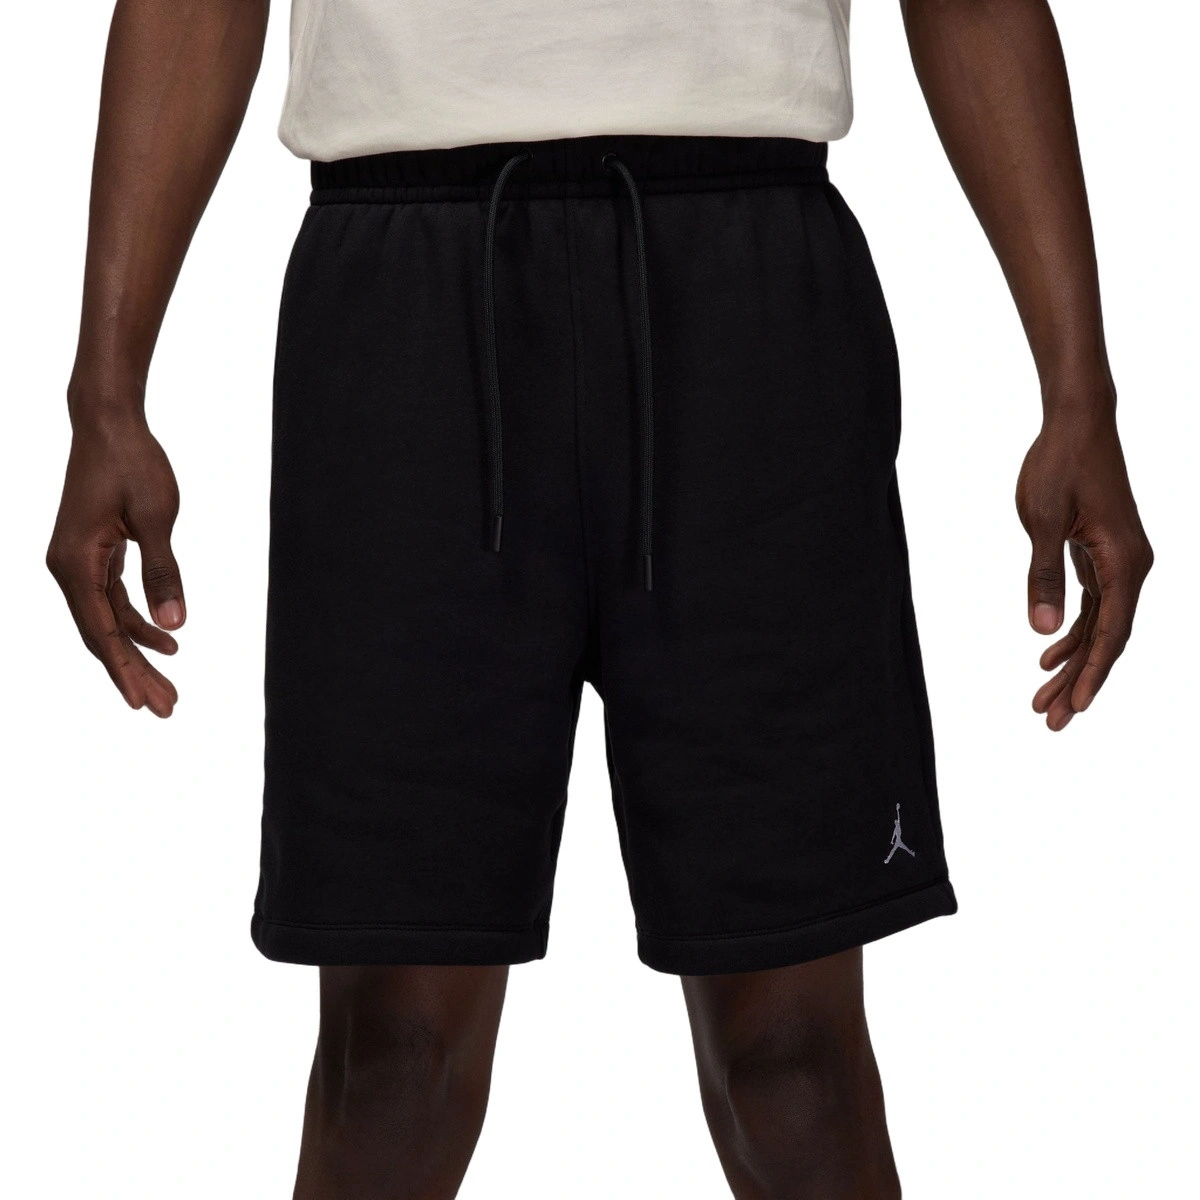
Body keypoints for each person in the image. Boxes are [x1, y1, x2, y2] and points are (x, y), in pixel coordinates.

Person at [46, 1, 1152, 1196]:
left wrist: (1078, 392)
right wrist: (105, 394)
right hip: (406, 306)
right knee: (395, 1062)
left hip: (749, 304)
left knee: (793, 1065)